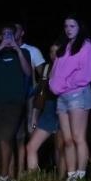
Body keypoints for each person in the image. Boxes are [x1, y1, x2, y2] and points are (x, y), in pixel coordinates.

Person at [48, 17, 91, 181]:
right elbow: (55, 72)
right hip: (62, 97)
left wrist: (65, 84)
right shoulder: (64, 47)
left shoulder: (86, 47)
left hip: (78, 94)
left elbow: (87, 74)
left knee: (78, 137)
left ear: (80, 27)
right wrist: (53, 85)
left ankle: (80, 176)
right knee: (67, 139)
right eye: (66, 26)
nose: (68, 29)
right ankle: (71, 175)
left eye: (72, 26)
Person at [0, 26, 33, 181]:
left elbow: (27, 72)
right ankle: (7, 176)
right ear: (0, 36)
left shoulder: (23, 52)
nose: (7, 37)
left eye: (10, 34)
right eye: (4, 34)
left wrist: (17, 50)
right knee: (1, 138)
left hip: (15, 102)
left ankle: (3, 175)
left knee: (6, 136)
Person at [24, 42, 62, 173]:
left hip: (63, 109)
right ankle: (33, 179)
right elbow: (40, 94)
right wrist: (34, 116)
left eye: (57, 52)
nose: (54, 55)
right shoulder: (46, 68)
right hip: (48, 110)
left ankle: (63, 179)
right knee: (31, 147)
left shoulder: (67, 67)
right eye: (51, 52)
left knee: (60, 147)